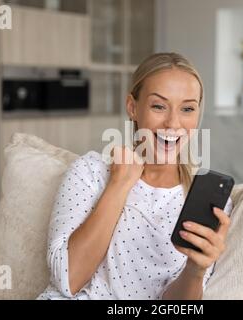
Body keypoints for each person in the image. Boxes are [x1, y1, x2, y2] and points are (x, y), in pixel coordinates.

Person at [37, 52, 232, 300]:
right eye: (159, 106)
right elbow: (68, 280)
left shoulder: (206, 200)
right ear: (133, 108)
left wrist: (196, 269)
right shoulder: (90, 171)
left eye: (187, 108)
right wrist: (119, 184)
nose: (173, 123)